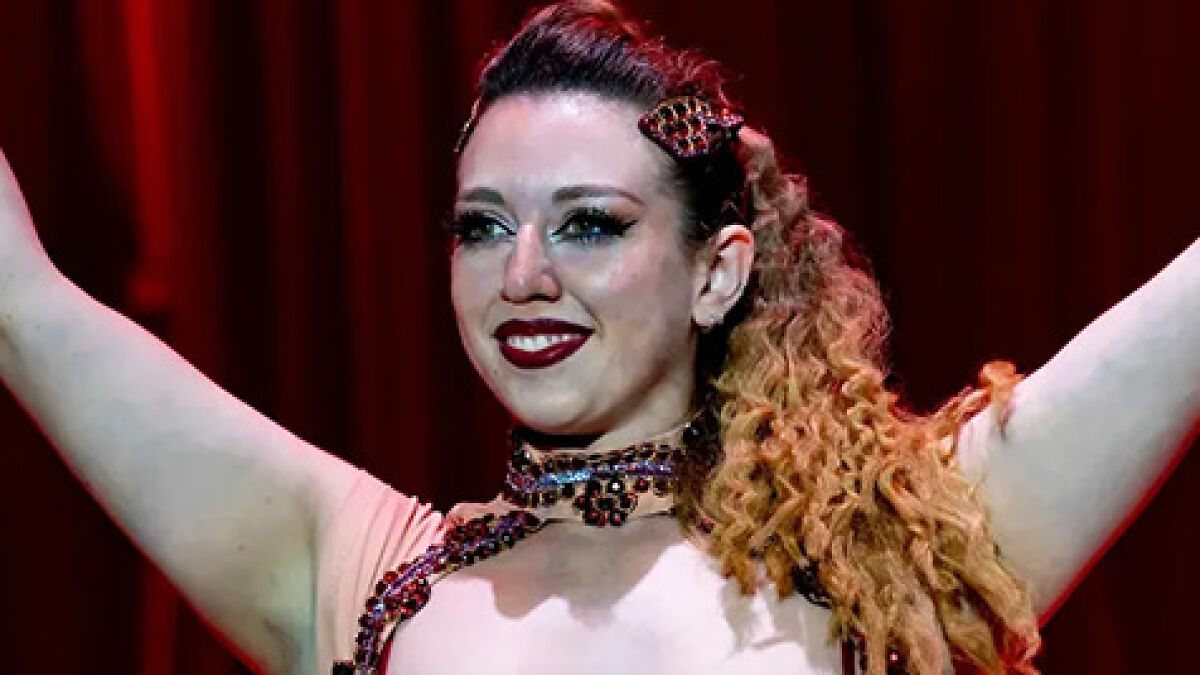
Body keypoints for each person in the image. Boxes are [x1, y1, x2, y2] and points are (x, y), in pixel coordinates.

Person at [0, 2, 1196, 673]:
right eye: (483, 227)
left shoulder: (901, 553)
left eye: (589, 224)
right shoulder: (366, 578)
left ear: (715, 275)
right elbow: (26, 305)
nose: (524, 276)